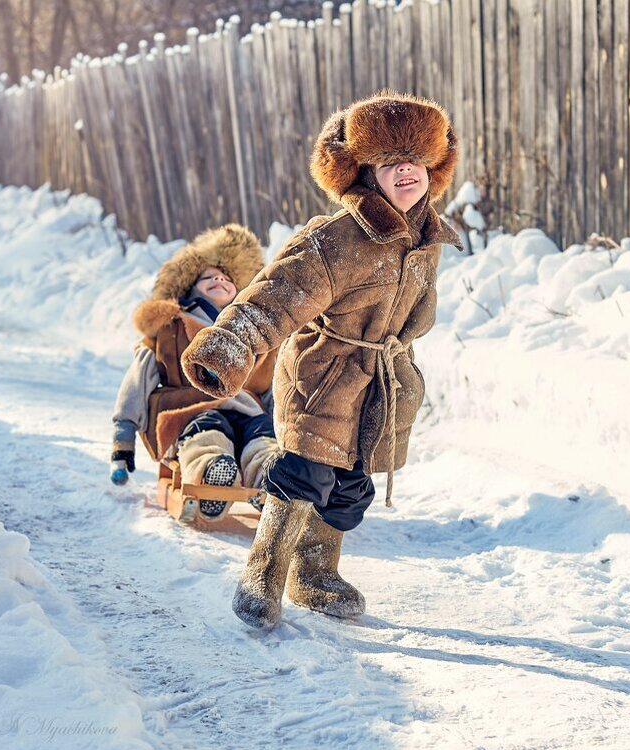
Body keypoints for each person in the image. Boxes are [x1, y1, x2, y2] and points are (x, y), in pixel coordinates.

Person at [181, 91, 464, 628]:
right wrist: (229, 346)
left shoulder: (428, 241)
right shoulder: (335, 239)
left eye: (416, 162)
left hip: (382, 387)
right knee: (302, 477)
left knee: (352, 487)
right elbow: (275, 295)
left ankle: (313, 575)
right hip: (325, 378)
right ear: (363, 173)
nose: (406, 173)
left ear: (433, 167)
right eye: (389, 163)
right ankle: (262, 575)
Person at [111, 223, 279, 520]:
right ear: (188, 288)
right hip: (190, 410)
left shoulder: (256, 335)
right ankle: (212, 472)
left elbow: (273, 389)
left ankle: (267, 474)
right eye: (207, 277)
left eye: (226, 277)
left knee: (261, 433)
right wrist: (123, 438)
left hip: (248, 413)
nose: (218, 279)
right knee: (210, 427)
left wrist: (284, 429)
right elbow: (137, 381)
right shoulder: (170, 328)